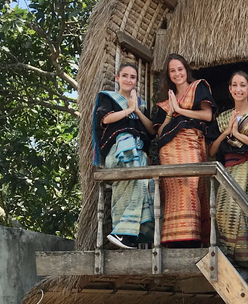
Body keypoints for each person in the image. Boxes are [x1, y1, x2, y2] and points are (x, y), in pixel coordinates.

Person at [208, 70, 248, 268]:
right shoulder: (222, 118)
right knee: (225, 215)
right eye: (234, 85)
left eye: (243, 85)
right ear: (230, 89)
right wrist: (226, 132)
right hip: (229, 173)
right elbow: (211, 151)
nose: (238, 89)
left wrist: (238, 135)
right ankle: (231, 262)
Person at [155, 54, 217, 247]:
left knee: (190, 188)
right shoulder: (164, 101)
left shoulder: (198, 87)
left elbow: (207, 115)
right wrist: (169, 112)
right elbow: (159, 132)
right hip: (168, 150)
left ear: (186, 70)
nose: (177, 74)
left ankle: (190, 238)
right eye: (172, 71)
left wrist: (179, 111)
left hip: (191, 144)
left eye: (180, 69)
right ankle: (174, 240)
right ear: (168, 75)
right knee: (173, 191)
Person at [92, 62, 156, 249]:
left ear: (136, 81)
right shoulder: (108, 98)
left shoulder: (141, 104)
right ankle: (121, 232)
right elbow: (104, 119)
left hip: (139, 154)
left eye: (133, 77)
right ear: (117, 78)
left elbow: (151, 130)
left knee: (142, 187)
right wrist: (127, 110)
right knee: (134, 184)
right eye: (125, 76)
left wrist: (136, 110)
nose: (129, 80)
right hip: (118, 152)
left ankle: (126, 234)